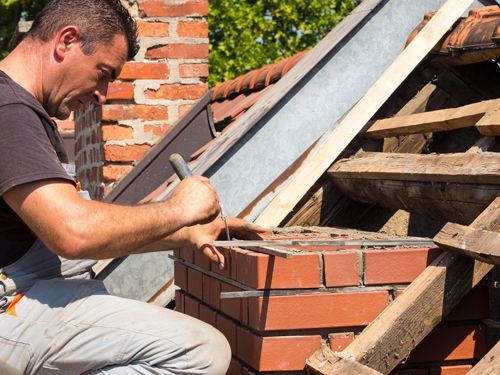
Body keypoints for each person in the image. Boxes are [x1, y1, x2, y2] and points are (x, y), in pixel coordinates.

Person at [0, 0, 264, 373]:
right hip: (14, 307)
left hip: (34, 292)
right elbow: (74, 233)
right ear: (67, 41)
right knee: (198, 352)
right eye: (103, 72)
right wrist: (178, 209)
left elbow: (74, 232)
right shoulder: (9, 112)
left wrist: (184, 233)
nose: (102, 94)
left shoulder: (26, 112)